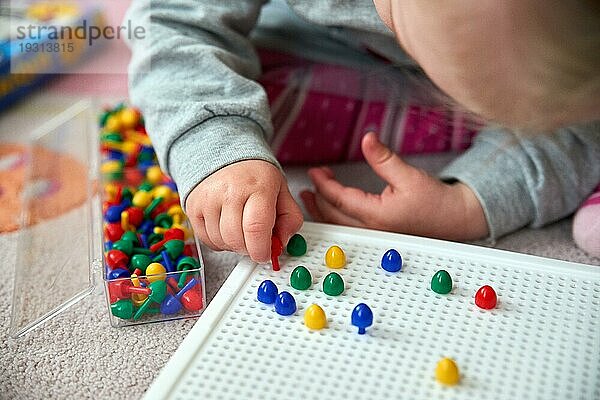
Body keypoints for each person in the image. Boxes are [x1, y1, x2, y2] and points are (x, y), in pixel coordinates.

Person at [125, 0, 600, 262]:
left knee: (568, 113)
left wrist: (467, 201)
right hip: (308, 35)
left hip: (406, 65)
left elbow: (577, 111)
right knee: (208, 80)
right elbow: (168, 22)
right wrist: (217, 143)